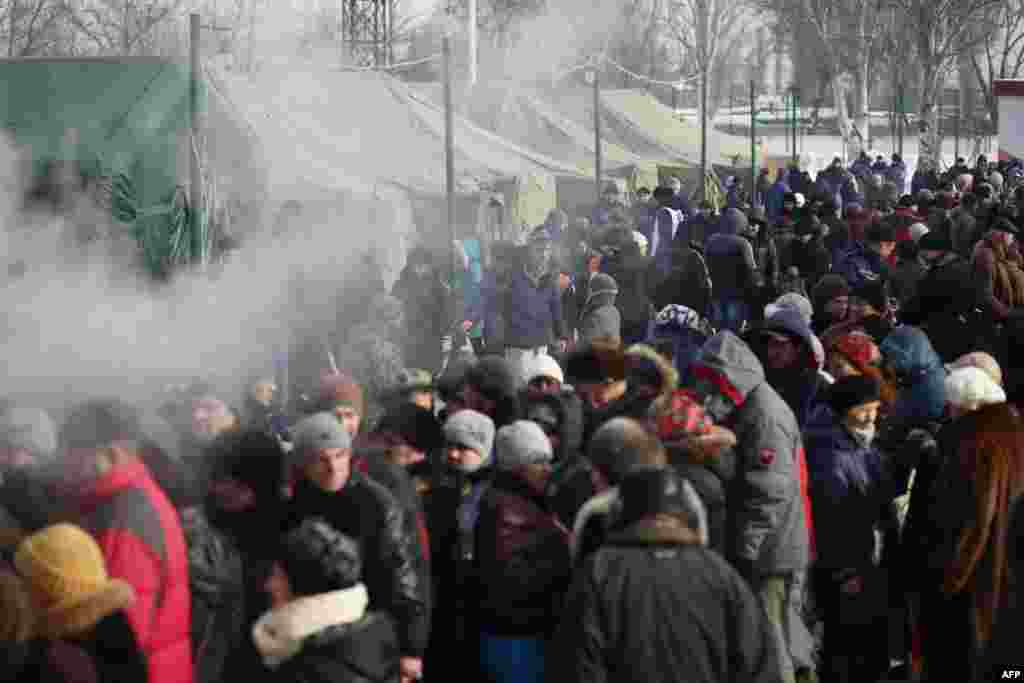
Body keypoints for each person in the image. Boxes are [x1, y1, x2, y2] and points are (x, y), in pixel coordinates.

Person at [549, 465, 784, 683]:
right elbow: (759, 666)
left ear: (619, 514)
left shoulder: (598, 571)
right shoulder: (721, 574)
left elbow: (578, 665)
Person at [685, 332, 813, 683]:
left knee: (774, 640)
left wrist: (745, 551)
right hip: (766, 545)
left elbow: (767, 490)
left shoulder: (764, 413)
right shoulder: (745, 405)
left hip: (772, 551)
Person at [284, 413, 427, 683]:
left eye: (340, 456)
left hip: (366, 639)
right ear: (303, 464)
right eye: (321, 459)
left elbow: (403, 575)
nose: (333, 467)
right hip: (308, 643)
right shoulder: (291, 508)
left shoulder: (375, 503)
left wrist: (411, 648)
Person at [59, 400, 193, 683]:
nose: (67, 462)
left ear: (112, 452)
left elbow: (125, 633)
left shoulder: (123, 516)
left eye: (75, 452)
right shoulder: (135, 496)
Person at [475, 421, 571, 683]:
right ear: (515, 466)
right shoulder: (505, 508)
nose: (546, 469)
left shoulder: (528, 501)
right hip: (516, 635)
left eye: (547, 461)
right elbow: (510, 576)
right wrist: (564, 564)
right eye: (537, 462)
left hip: (523, 631)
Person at [253, 518, 400, 683]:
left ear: (302, 588)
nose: (268, 585)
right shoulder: (375, 630)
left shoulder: (305, 668)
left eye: (276, 576)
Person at [13, 523, 148, 682]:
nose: (19, 590)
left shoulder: (59, 661)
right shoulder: (117, 633)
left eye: (25, 583)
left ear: (48, 593)